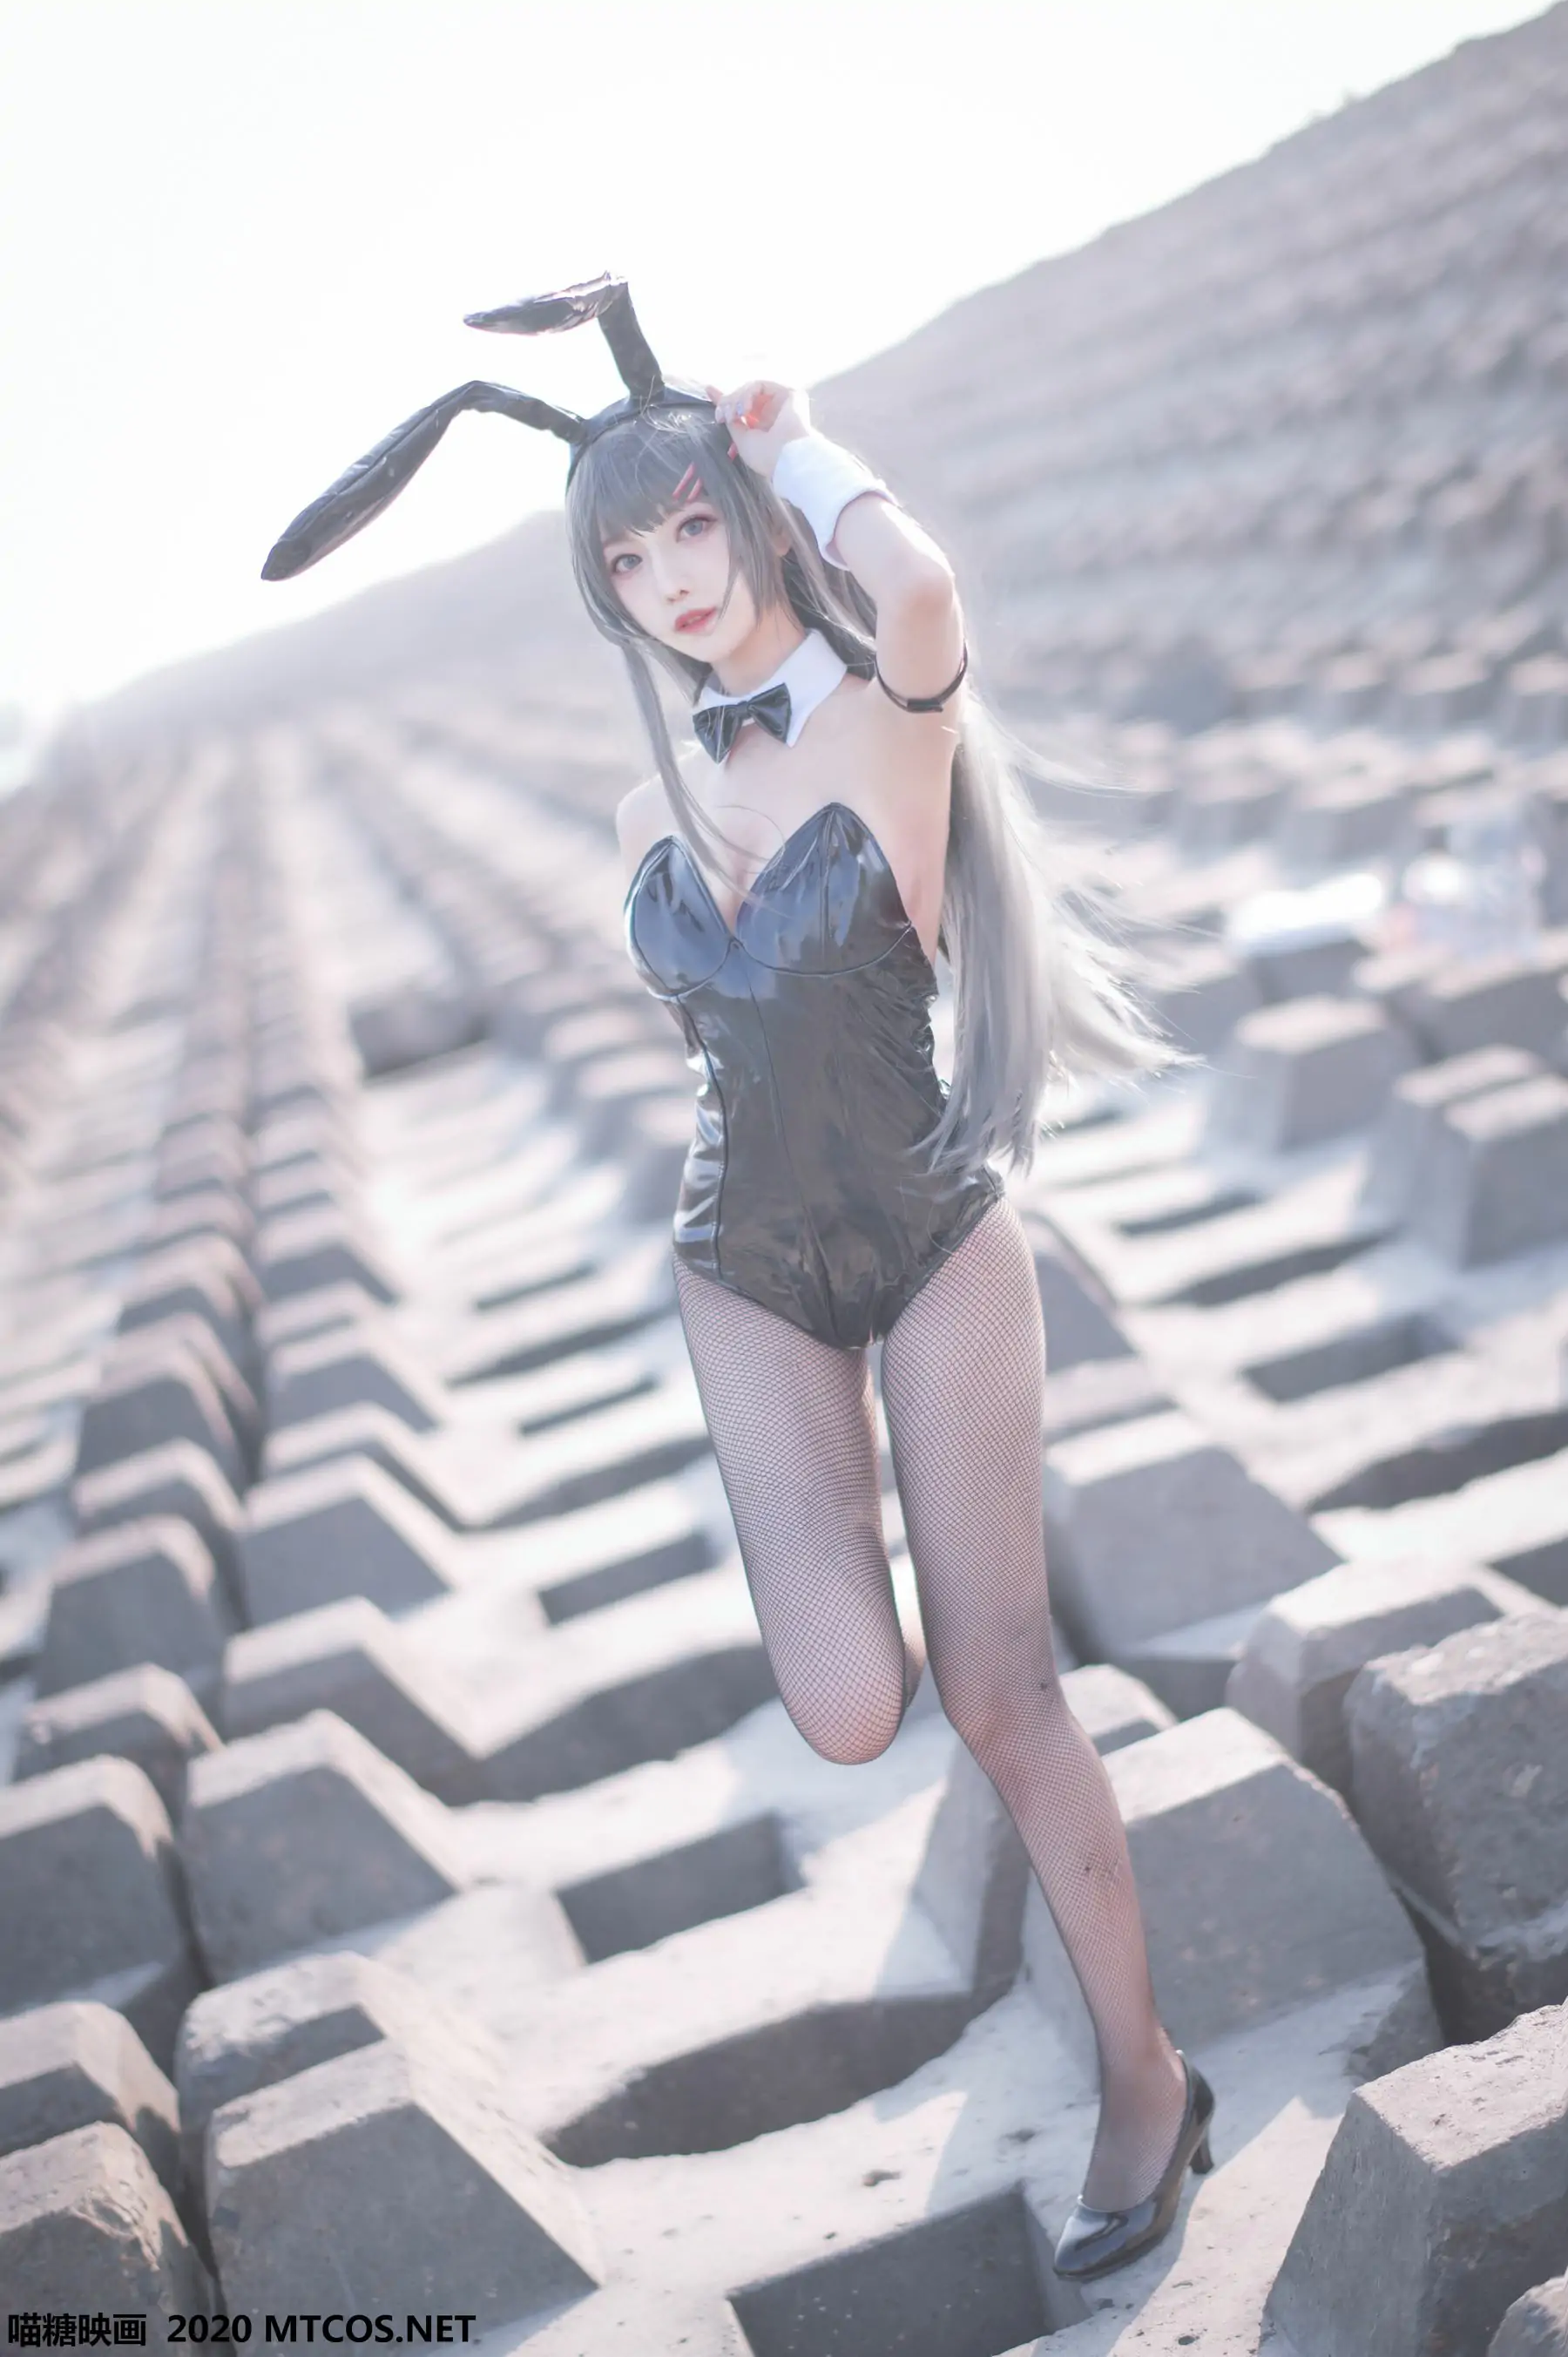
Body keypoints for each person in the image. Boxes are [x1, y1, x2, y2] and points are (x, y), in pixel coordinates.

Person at [261, 278, 1215, 2281]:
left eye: (692, 525)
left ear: (749, 518)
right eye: (628, 559)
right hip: (745, 1265)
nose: (672, 579)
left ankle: (1145, 2077)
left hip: (934, 1232)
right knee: (851, 1706)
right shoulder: (655, 799)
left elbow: (920, 581)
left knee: (1004, 1693)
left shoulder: (892, 706)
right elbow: (732, 1054)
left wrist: (788, 440)